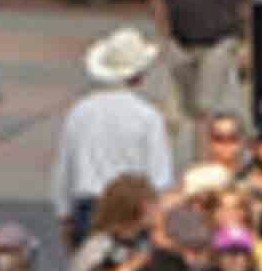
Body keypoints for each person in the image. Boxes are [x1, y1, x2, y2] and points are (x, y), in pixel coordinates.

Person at [54, 28, 178, 249]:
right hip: (133, 209)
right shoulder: (148, 116)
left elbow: (64, 169)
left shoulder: (80, 111)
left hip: (89, 204)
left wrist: (65, 215)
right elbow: (160, 177)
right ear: (139, 75)